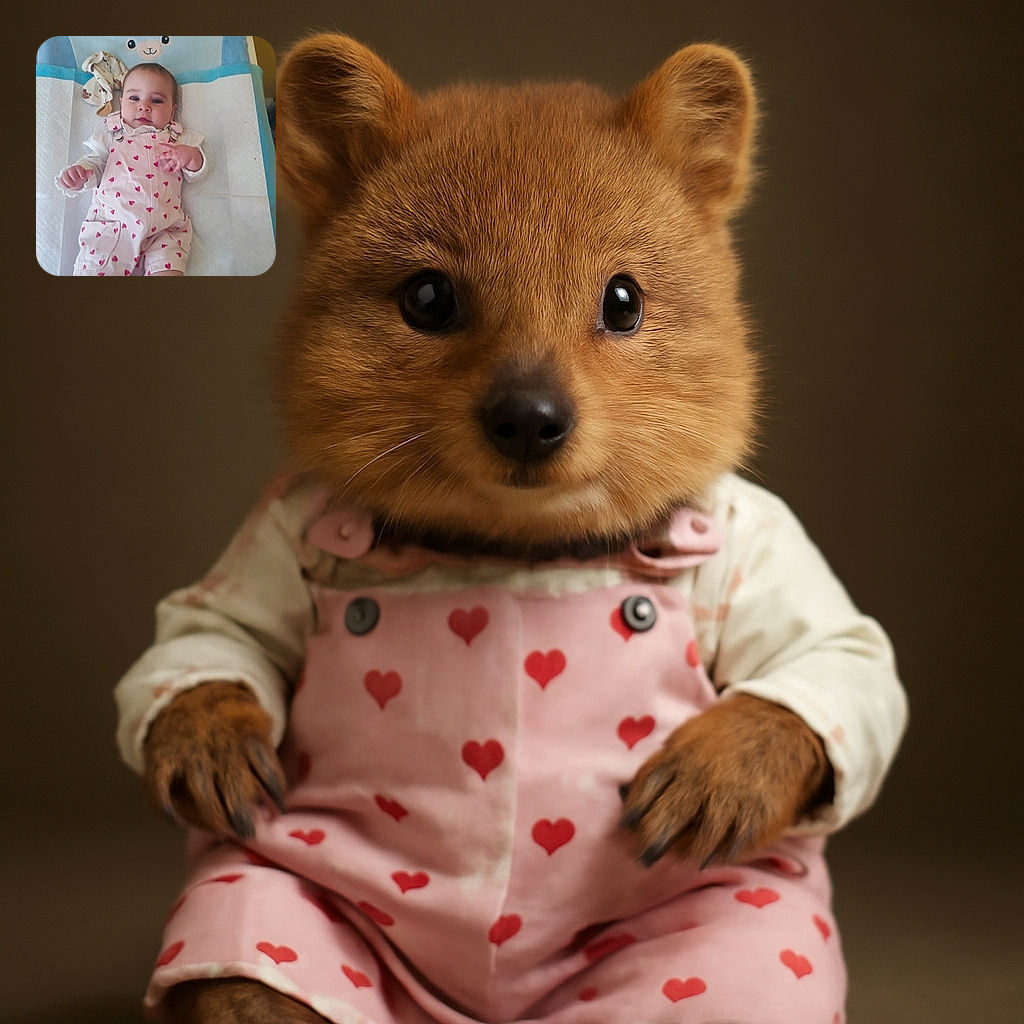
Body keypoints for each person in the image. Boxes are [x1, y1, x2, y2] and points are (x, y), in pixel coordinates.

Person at [56, 63, 208, 276]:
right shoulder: (111, 137)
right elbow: (95, 163)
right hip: (114, 226)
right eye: (134, 98)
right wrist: (82, 173)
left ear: (173, 110)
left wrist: (191, 156)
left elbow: (198, 172)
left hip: (165, 230)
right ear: (121, 102)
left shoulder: (180, 139)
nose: (144, 106)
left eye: (156, 101)